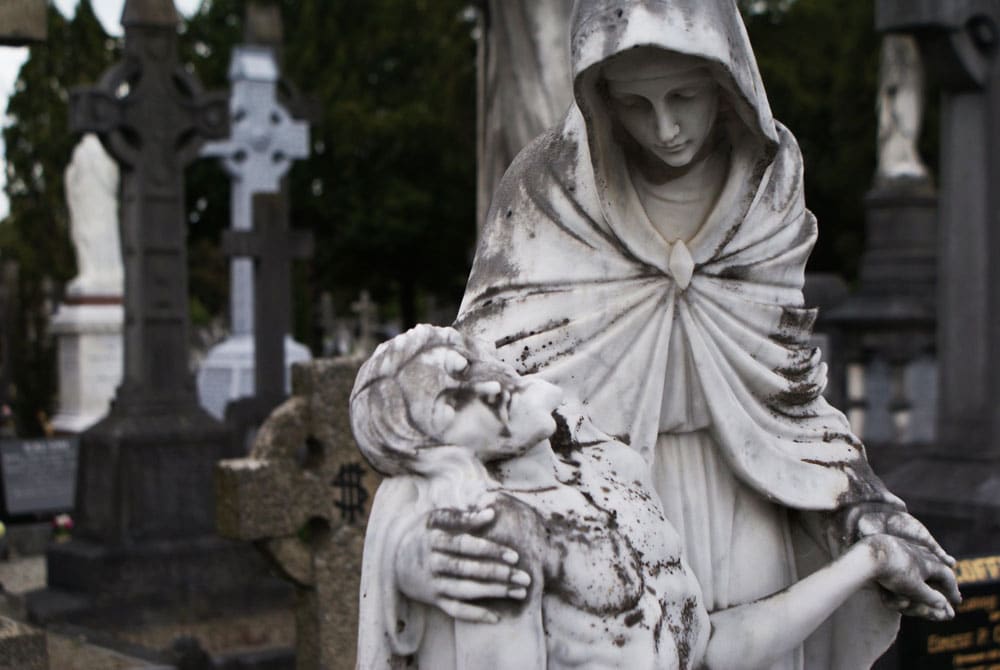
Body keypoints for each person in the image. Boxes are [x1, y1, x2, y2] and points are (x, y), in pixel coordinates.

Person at [450, 1, 960, 668]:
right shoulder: (549, 191)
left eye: (685, 96)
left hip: (744, 490)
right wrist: (452, 521)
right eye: (634, 104)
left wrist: (864, 508)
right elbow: (473, 383)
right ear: (598, 100)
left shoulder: (769, 183)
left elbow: (787, 394)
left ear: (730, 84)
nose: (664, 128)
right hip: (599, 509)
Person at [352, 326, 956, 669]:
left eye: (463, 367)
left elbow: (709, 647)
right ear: (432, 456)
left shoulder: (606, 467)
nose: (483, 389)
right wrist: (404, 551)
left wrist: (870, 559)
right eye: (448, 407)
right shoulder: (497, 533)